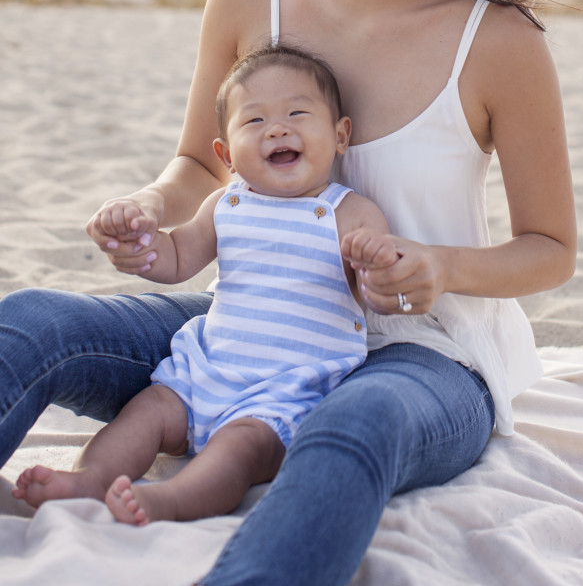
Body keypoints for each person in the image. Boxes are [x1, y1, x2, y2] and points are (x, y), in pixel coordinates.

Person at [0, 0, 576, 586]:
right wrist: (148, 207)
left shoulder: (500, 43)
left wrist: (439, 266)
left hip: (421, 356)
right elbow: (201, 161)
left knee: (353, 427)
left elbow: (552, 247)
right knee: (33, 323)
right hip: (253, 320)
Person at [13, 44, 394, 525]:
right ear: (226, 153)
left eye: (298, 113)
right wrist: (141, 244)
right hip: (206, 369)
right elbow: (178, 257)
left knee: (240, 448)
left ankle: (171, 499)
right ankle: (91, 478)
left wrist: (374, 263)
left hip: (285, 389)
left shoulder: (349, 212)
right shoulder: (226, 204)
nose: (278, 128)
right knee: (147, 410)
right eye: (254, 122)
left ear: (341, 135)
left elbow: (378, 286)